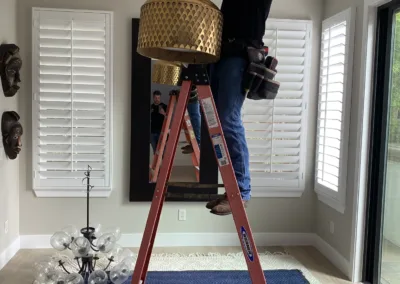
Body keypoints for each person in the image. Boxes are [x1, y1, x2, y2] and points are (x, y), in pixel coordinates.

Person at [202, 0, 274, 216]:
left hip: (240, 55)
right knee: (215, 123)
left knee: (228, 120)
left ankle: (241, 192)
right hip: (219, 55)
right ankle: (232, 191)